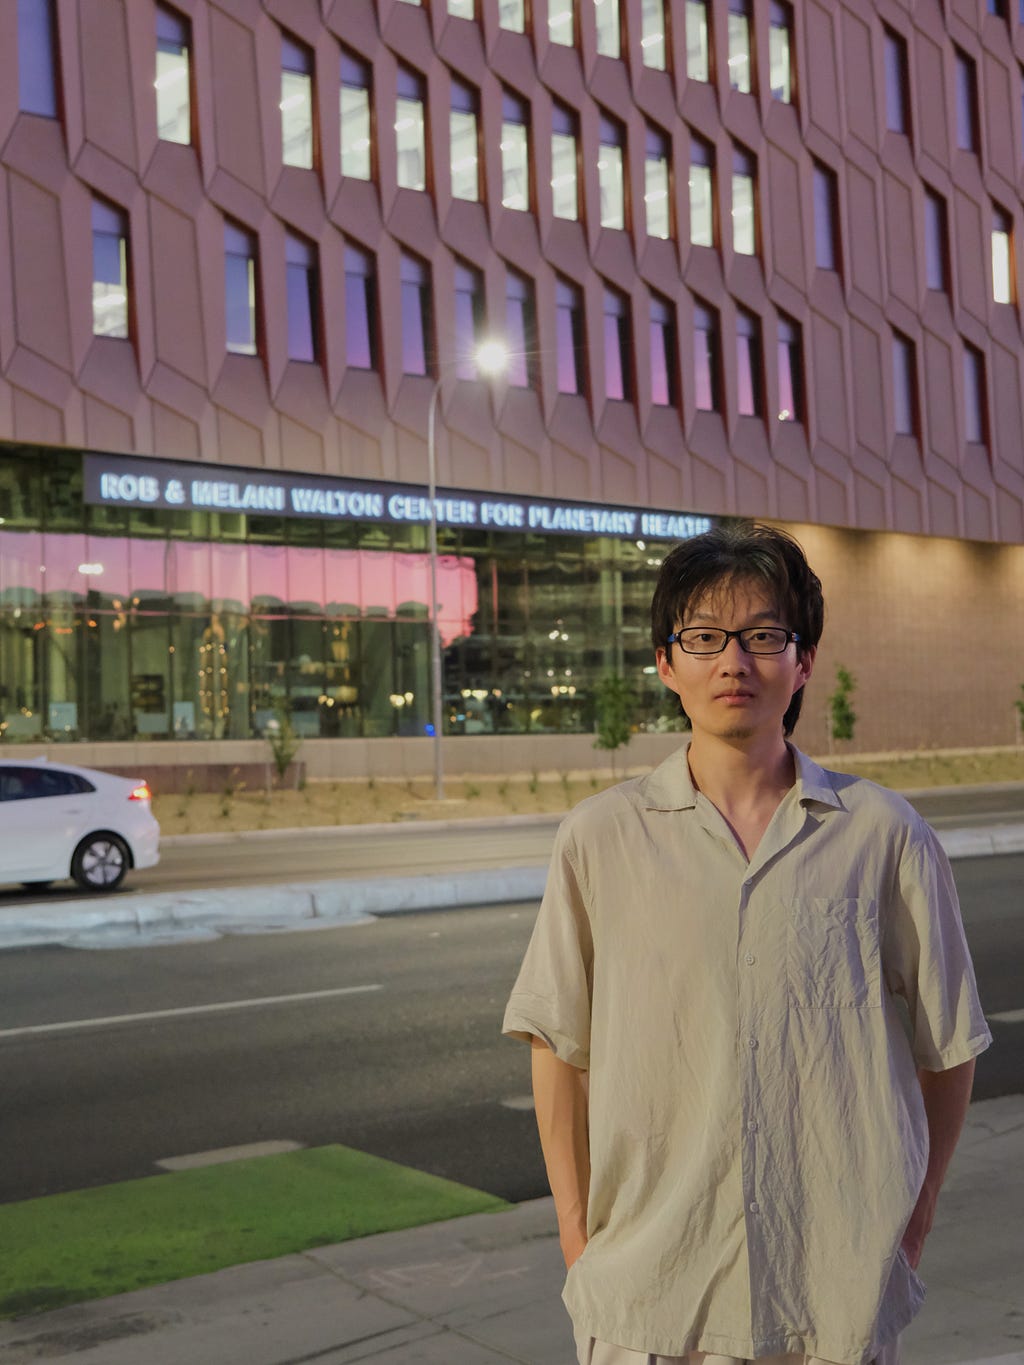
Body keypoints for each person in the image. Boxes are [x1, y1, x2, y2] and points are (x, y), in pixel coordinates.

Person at [503, 523, 991, 1365]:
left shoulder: (883, 836)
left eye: (765, 636)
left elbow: (947, 1045)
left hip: (831, 1299)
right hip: (651, 1302)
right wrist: (579, 1237)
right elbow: (558, 1044)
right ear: (667, 663)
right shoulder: (600, 839)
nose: (735, 661)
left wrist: (914, 1221)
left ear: (802, 663)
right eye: (704, 637)